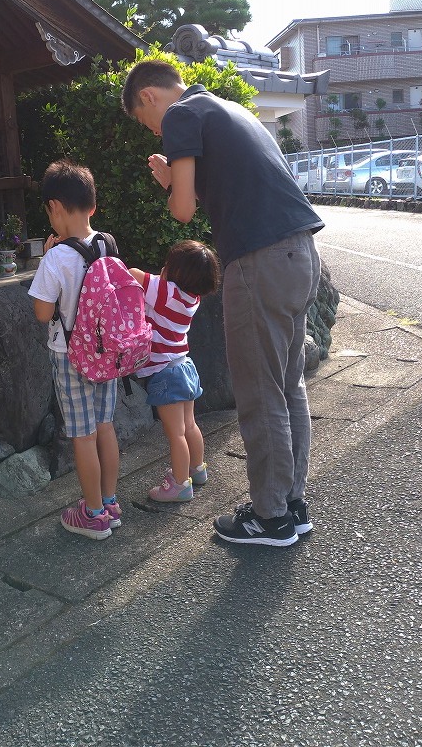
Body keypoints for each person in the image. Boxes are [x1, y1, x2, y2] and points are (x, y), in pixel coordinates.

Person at [122, 58, 324, 548]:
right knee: (287, 384)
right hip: (300, 252)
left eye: (144, 121)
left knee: (260, 391)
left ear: (149, 97)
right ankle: (289, 503)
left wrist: (170, 182)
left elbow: (184, 211)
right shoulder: (230, 108)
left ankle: (270, 516)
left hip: (259, 260)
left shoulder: (179, 115)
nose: (154, 132)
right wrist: (179, 178)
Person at [28, 160, 121, 541]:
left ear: (54, 207)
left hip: (71, 358)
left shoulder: (55, 257)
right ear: (92, 206)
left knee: (82, 436)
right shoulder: (107, 242)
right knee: (105, 427)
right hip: (107, 353)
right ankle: (111, 502)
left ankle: (93, 514)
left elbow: (42, 312)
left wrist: (45, 259)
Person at [129, 240, 220, 502]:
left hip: (165, 374)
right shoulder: (193, 298)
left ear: (175, 273)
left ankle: (180, 485)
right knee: (190, 425)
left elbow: (134, 275)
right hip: (184, 366)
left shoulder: (165, 292)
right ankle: (197, 469)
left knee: (175, 433)